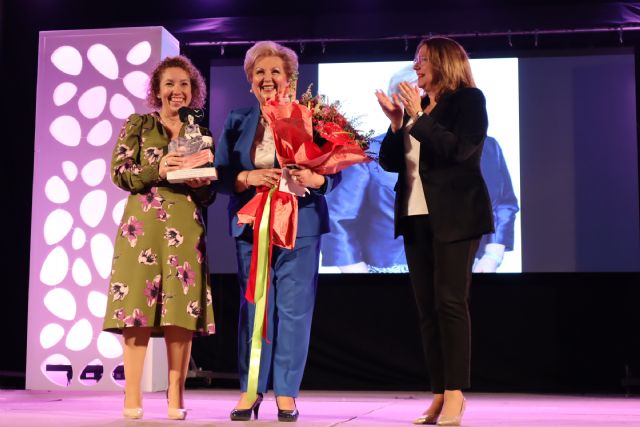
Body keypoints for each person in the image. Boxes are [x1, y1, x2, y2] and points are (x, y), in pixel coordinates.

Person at [214, 40, 340, 422]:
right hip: (253, 225)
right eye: (259, 72)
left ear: (290, 79)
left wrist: (316, 179)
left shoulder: (313, 117)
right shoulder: (238, 119)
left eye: (275, 72)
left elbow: (335, 173)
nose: (267, 78)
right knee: (255, 308)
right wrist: (247, 177)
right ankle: (250, 390)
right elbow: (221, 174)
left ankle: (286, 393)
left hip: (302, 224)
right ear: (249, 80)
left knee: (294, 311)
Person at [375, 37, 494, 426]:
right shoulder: (419, 107)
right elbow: (390, 162)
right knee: (427, 309)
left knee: (449, 302)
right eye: (416, 59)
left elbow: (459, 151)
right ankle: (439, 393)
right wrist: (397, 123)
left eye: (423, 59)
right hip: (415, 216)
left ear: (444, 63)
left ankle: (456, 393)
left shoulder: (468, 101)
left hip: (456, 216)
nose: (416, 66)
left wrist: (417, 116)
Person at [102, 55, 216, 421]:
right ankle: (132, 394)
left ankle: (175, 394)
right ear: (157, 89)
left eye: (184, 84)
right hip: (142, 227)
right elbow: (120, 172)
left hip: (185, 224)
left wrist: (200, 183)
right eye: (170, 84)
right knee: (136, 308)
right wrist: (158, 168)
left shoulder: (198, 132)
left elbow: (209, 194)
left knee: (180, 311)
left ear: (193, 91)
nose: (177, 90)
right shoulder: (139, 124)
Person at [322, 64, 519, 274]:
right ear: (395, 102)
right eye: (414, 97)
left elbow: (503, 204)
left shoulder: (485, 146)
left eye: (433, 96)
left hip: (464, 265)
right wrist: (358, 274)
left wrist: (492, 256)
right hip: (390, 270)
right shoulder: (369, 152)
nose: (424, 105)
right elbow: (339, 217)